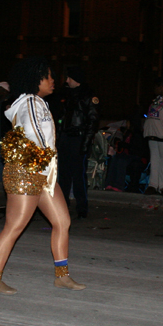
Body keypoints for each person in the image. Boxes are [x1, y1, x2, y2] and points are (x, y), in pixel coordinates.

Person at [0, 56, 85, 295]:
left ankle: (62, 276)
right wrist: (48, 158)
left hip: (44, 172)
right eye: (48, 76)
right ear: (35, 79)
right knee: (14, 226)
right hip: (27, 171)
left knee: (62, 222)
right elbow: (36, 136)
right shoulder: (29, 101)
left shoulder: (38, 102)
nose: (53, 80)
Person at [56, 66, 99, 218]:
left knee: (78, 175)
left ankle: (82, 208)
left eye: (69, 78)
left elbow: (93, 121)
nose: (67, 81)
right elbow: (60, 118)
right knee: (63, 175)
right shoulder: (66, 95)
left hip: (78, 139)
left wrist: (85, 144)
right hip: (66, 139)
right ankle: (62, 206)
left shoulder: (88, 96)